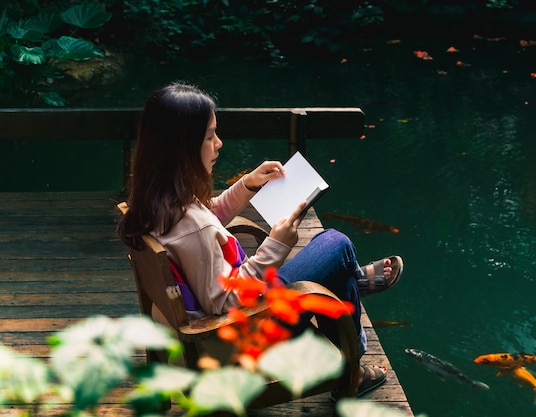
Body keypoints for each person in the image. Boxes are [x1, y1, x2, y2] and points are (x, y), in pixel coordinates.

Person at [117, 82, 404, 398]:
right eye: (210, 136)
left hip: (218, 324)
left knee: (336, 262)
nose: (219, 143)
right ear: (182, 147)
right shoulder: (193, 226)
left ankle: (350, 283)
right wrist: (276, 245)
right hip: (241, 336)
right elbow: (225, 301)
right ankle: (353, 358)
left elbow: (205, 220)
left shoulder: (154, 201)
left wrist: (246, 185)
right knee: (335, 243)